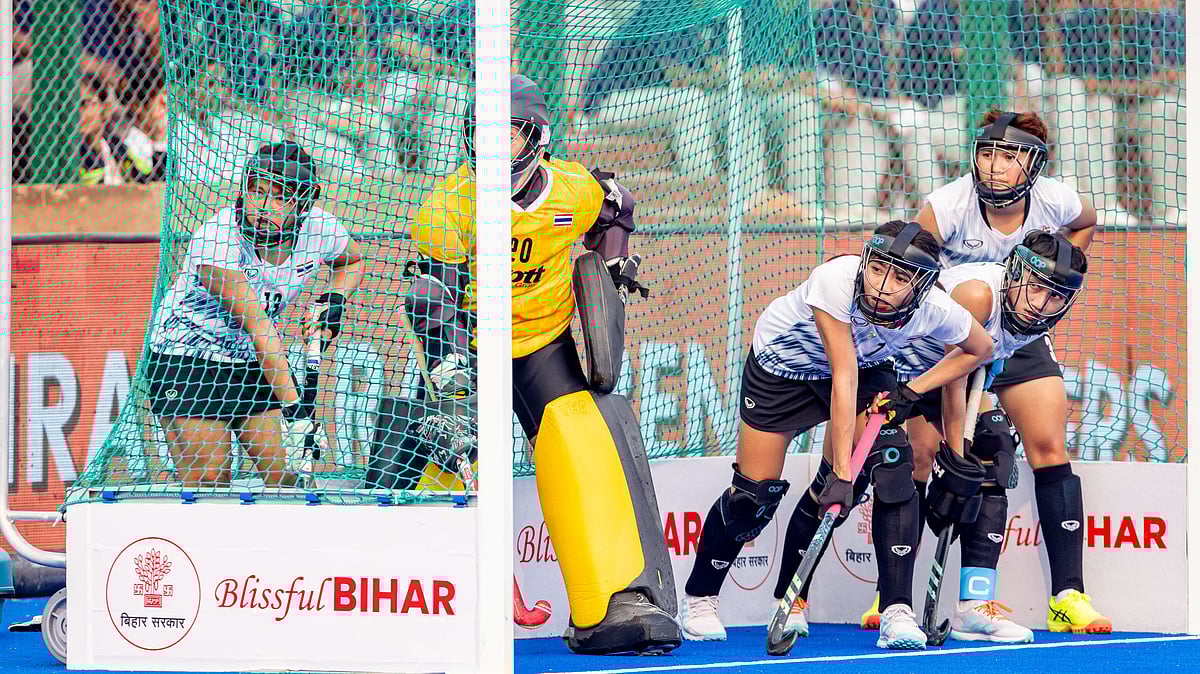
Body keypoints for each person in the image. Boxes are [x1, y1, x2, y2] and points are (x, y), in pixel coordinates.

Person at [404, 74, 680, 655]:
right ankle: (435, 603)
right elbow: (431, 295)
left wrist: (615, 264)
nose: (496, 149)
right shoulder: (448, 205)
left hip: (542, 344)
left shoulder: (570, 189)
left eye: (508, 135)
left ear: (538, 137)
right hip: (467, 346)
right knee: (451, 461)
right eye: (485, 135)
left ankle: (607, 605)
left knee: (581, 446)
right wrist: (449, 365)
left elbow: (617, 206)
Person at [678, 220, 993, 650]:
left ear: (921, 286)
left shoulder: (935, 309)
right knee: (752, 498)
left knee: (891, 461)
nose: (883, 284)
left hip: (864, 369)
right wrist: (842, 475)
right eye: (879, 268)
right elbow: (840, 376)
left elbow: (980, 350)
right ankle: (699, 598)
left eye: (901, 277)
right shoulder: (836, 280)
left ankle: (894, 611)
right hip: (783, 370)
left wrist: (913, 391)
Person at [860, 109, 1110, 634]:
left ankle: (1067, 596)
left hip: (1019, 332)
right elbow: (914, 264)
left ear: (1033, 164)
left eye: (1011, 155)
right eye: (988, 153)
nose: (996, 166)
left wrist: (1051, 286)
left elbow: (1086, 224)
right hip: (952, 338)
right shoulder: (948, 204)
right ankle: (893, 593)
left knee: (1047, 448)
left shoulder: (1055, 199)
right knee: (927, 457)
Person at [880, 231, 1088, 644]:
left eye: (1055, 297)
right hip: (896, 364)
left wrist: (967, 455)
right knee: (903, 466)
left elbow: (975, 367)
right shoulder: (979, 294)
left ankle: (974, 607)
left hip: (943, 372)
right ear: (1015, 272)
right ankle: (892, 608)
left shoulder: (1035, 313)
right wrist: (957, 451)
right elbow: (954, 377)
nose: (1041, 304)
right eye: (1037, 288)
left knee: (994, 456)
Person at [144, 142, 364, 488]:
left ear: (302, 204)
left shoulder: (320, 228)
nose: (262, 207)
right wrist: (296, 414)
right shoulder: (216, 240)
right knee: (210, 479)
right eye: (257, 192)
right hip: (188, 360)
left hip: (251, 362)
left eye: (279, 198)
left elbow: (352, 261)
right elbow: (260, 328)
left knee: (287, 476)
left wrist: (334, 299)